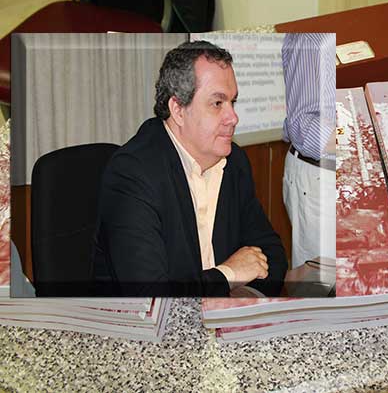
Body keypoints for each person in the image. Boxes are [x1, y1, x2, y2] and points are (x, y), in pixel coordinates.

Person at [93, 41, 287, 296]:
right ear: (178, 110)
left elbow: (271, 254)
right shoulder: (132, 174)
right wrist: (228, 275)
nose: (233, 117)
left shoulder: (234, 162)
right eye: (217, 103)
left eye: (233, 102)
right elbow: (150, 295)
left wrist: (240, 297)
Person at [281, 33, 336, 268]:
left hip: (365, 174)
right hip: (322, 177)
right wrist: (361, 129)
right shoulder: (312, 38)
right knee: (321, 282)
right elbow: (303, 129)